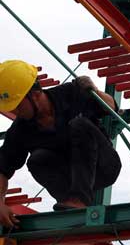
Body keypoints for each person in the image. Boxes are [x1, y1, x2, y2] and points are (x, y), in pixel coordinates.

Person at [0, 60, 121, 228]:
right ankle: (69, 203)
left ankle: (79, 200)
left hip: (103, 166)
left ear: (35, 94)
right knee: (37, 160)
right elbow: (2, 169)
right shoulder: (21, 129)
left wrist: (94, 91)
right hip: (71, 176)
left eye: (18, 105)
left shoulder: (70, 93)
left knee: (79, 125)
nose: (15, 112)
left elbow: (112, 108)